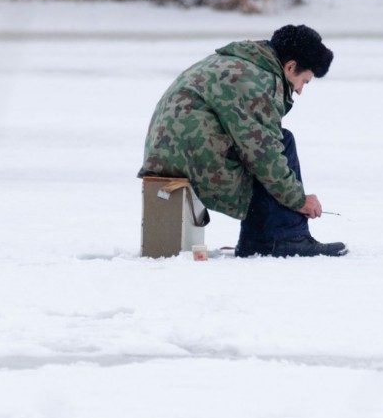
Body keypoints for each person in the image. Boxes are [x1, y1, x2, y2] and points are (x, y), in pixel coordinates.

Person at [138, 25, 347, 258]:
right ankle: (286, 238)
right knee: (278, 147)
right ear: (290, 67)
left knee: (273, 142)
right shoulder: (257, 82)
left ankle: (259, 240)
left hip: (175, 154)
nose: (299, 91)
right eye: (304, 81)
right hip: (190, 159)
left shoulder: (242, 64)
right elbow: (264, 156)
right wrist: (299, 201)